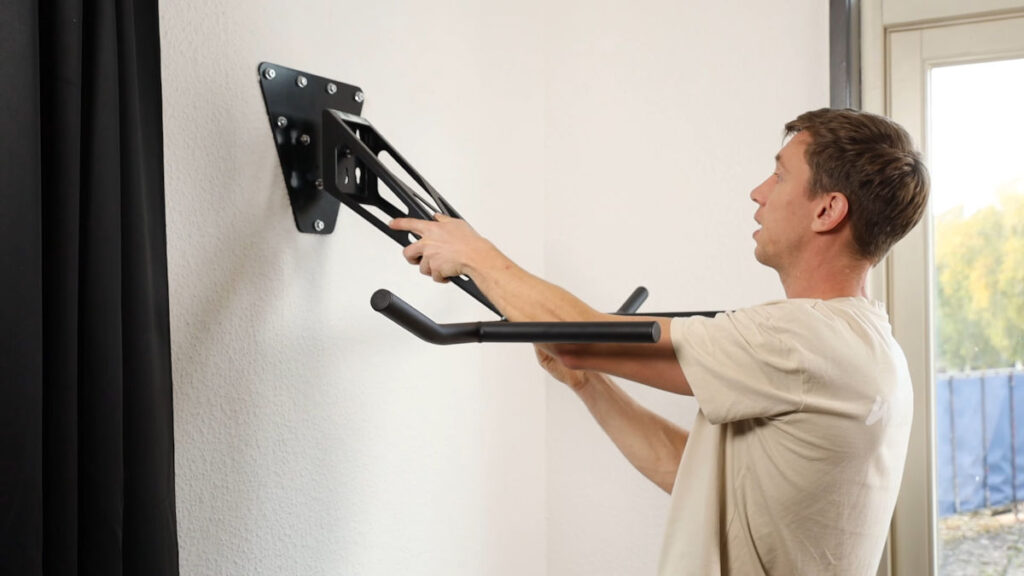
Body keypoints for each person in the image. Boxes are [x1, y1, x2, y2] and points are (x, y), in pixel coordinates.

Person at [389, 108, 929, 575]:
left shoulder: (806, 339)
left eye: (779, 175)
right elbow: (689, 473)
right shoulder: (863, 339)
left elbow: (580, 338)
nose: (758, 192)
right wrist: (588, 384)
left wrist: (476, 254)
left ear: (827, 210)